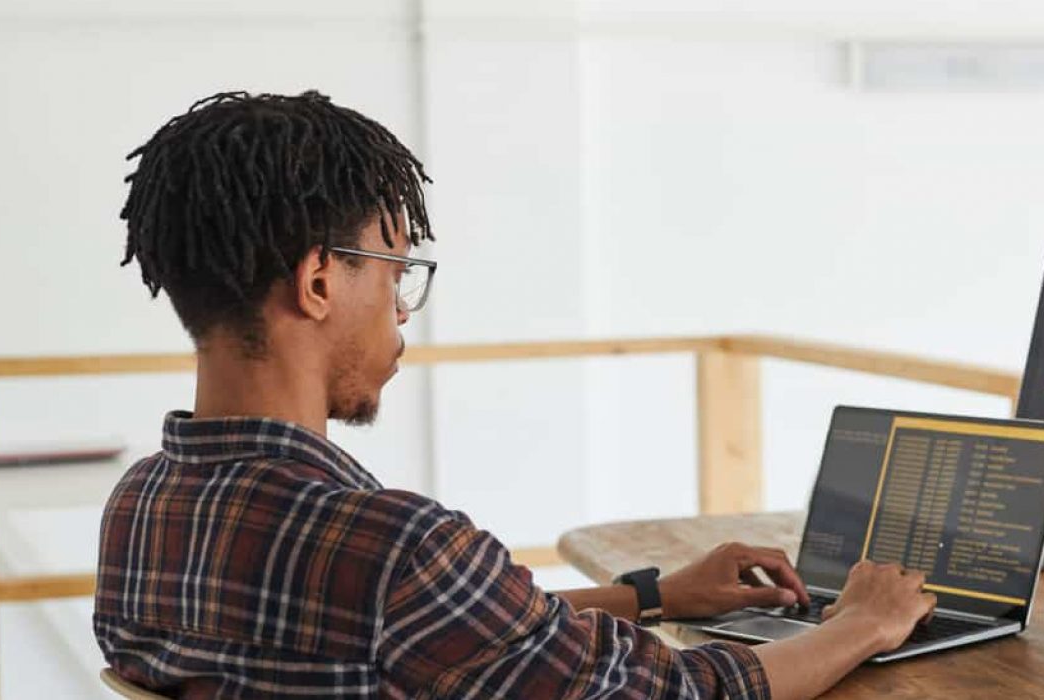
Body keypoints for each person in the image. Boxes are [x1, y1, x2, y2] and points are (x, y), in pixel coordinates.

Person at [96, 90, 936, 699]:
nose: (399, 311)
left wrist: (655, 596)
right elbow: (684, 691)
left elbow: (442, 633)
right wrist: (862, 622)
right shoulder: (395, 546)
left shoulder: (141, 508)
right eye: (396, 272)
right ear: (319, 282)